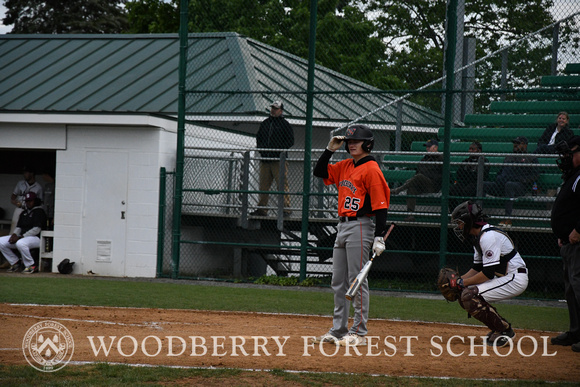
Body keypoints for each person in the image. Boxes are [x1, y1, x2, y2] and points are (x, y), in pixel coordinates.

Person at [312, 124, 390, 347]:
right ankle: (338, 329)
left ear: (368, 144)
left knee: (357, 280)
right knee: (338, 281)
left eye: (356, 141)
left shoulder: (372, 169)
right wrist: (329, 150)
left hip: (361, 225)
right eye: (349, 142)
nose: (351, 144)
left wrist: (379, 236)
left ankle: (358, 332)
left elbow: (381, 206)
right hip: (343, 226)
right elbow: (319, 172)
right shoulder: (346, 165)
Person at [450, 201, 529, 347]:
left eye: (460, 223)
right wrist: (458, 280)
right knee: (464, 293)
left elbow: (487, 273)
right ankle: (498, 328)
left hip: (515, 278)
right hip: (505, 277)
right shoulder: (478, 238)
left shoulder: (488, 236)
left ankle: (504, 330)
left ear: (468, 221)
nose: (459, 227)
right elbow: (477, 267)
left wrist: (463, 283)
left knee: (469, 295)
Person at [550, 135, 580, 353]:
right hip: (568, 243)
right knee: (571, 289)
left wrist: (578, 230)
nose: (566, 157)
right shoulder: (574, 175)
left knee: (579, 287)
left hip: (578, 243)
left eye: (570, 153)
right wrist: (563, 232)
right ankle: (575, 332)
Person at [251, 101, 295, 217]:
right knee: (263, 185)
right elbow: (259, 137)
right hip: (266, 159)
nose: (273, 110)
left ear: (281, 111)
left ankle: (286, 209)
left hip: (278, 160)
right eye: (272, 108)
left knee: (281, 184)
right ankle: (262, 209)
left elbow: (290, 141)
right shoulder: (265, 123)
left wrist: (278, 151)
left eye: (275, 109)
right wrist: (262, 150)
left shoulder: (284, 124)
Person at [483, 136, 539, 227]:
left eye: (518, 143)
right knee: (483, 184)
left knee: (509, 185)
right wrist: (499, 178)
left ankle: (507, 218)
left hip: (519, 187)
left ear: (525, 145)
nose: (515, 145)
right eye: (515, 143)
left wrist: (523, 180)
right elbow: (500, 172)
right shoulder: (508, 157)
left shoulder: (531, 158)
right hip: (502, 185)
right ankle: (479, 215)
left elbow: (535, 175)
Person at [390, 139, 443, 221]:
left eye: (429, 147)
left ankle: (398, 190)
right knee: (412, 188)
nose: (427, 148)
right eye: (427, 147)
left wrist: (426, 175)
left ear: (436, 148)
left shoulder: (440, 158)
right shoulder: (424, 159)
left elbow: (439, 175)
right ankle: (410, 214)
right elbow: (418, 172)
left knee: (419, 176)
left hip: (433, 185)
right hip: (422, 184)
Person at [0, 192, 47, 274]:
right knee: (1, 241)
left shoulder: (39, 211)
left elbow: (36, 230)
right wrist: (14, 235)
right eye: (27, 201)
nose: (28, 203)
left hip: (36, 238)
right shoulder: (24, 213)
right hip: (22, 237)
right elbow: (19, 227)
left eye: (30, 201)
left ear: (35, 201)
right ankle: (15, 262)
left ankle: (31, 265)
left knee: (20, 243)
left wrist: (21, 236)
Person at [449, 141, 490, 210]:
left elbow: (482, 176)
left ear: (479, 150)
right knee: (452, 190)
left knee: (467, 190)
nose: (470, 151)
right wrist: (470, 173)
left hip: (476, 184)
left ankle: (465, 212)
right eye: (470, 149)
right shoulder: (466, 161)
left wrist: (468, 173)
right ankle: (454, 212)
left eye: (473, 149)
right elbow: (459, 174)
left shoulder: (484, 161)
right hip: (464, 182)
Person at [10, 166, 43, 234]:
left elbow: (41, 202)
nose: (24, 175)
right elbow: (13, 197)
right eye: (24, 173)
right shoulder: (20, 183)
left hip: (31, 211)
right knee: (14, 228)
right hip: (20, 208)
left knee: (28, 229)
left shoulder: (38, 187)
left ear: (32, 173)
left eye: (26, 173)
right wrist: (16, 203)